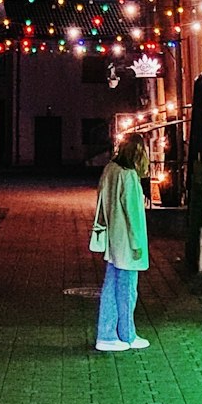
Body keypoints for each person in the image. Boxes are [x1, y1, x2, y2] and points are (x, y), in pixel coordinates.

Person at [90, 131, 150, 351]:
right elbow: (133, 213)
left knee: (111, 287)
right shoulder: (128, 175)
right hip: (126, 242)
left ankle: (107, 334)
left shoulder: (110, 170)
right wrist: (136, 245)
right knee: (127, 290)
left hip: (113, 240)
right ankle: (127, 334)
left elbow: (101, 201)